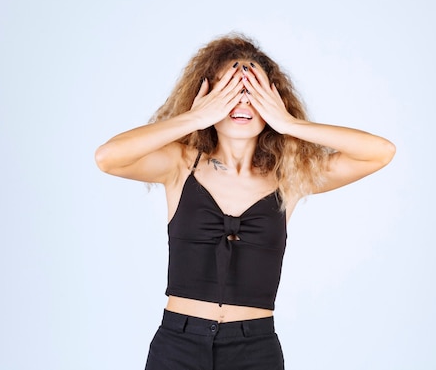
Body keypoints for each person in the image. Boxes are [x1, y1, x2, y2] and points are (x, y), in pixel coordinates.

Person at [95, 33, 395, 369]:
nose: (241, 101)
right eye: (229, 90)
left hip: (254, 351)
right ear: (207, 97)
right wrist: (194, 118)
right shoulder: (181, 165)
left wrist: (289, 123)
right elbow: (108, 157)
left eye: (253, 91)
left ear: (273, 99)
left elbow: (380, 152)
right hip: (178, 346)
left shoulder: (290, 176)